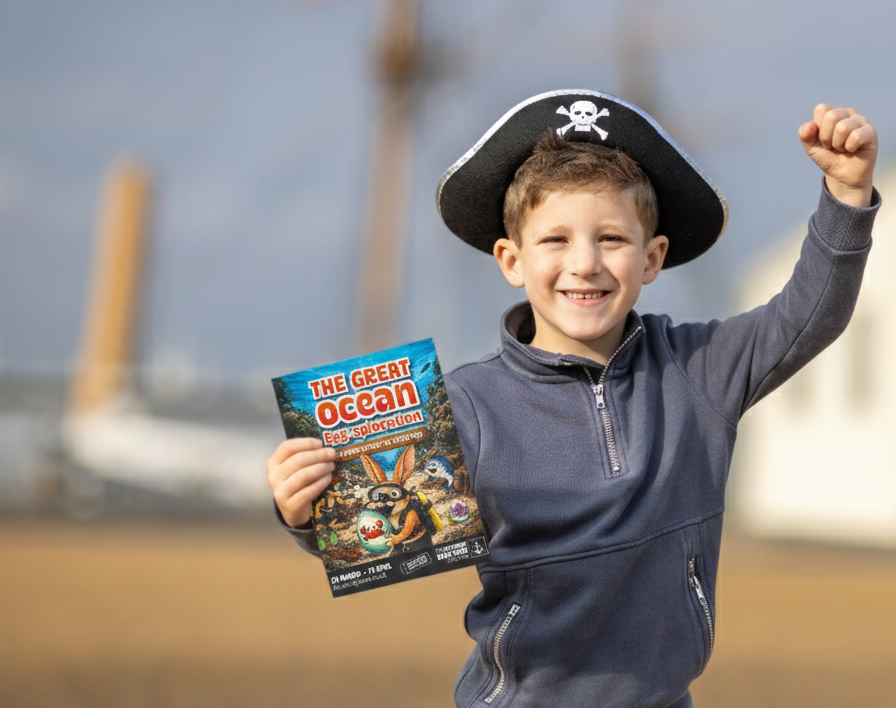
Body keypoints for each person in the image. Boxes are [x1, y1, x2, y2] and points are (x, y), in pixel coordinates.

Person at [267, 90, 880, 707]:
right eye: (554, 240)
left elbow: (810, 313)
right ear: (511, 259)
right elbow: (371, 528)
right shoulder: (467, 407)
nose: (583, 264)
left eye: (611, 238)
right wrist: (306, 514)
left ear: (652, 258)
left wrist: (848, 195)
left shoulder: (699, 369)